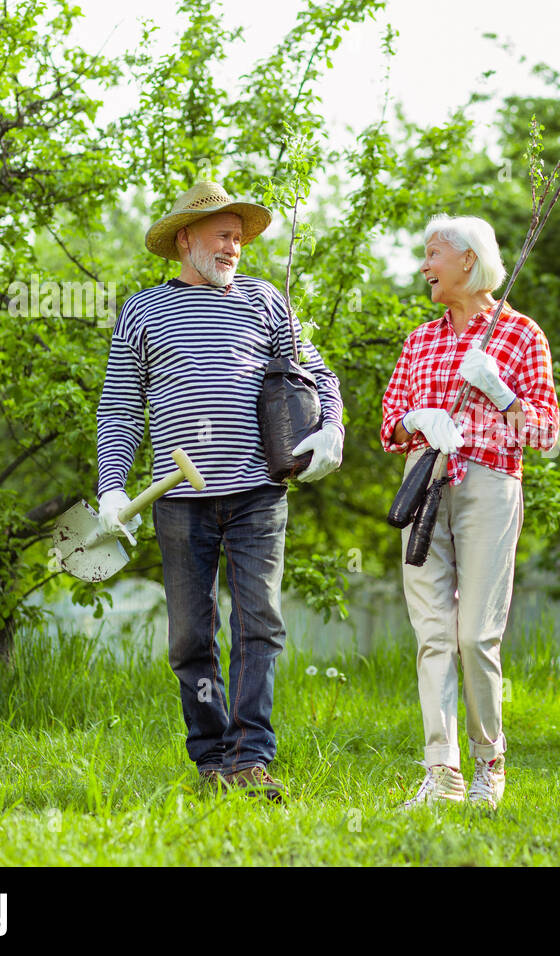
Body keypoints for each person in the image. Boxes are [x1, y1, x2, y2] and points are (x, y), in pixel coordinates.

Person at [95, 180, 345, 801]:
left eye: (239, 237)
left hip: (259, 492)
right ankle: (211, 760)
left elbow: (318, 376)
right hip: (178, 500)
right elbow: (121, 408)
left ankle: (249, 758)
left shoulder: (267, 302)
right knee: (190, 635)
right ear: (186, 239)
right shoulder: (142, 311)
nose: (235, 246)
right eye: (223, 235)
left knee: (259, 622)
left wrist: (331, 428)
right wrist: (110, 488)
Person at [380, 214, 559, 809]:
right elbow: (388, 423)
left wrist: (503, 396)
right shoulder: (420, 339)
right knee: (433, 633)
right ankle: (442, 773)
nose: (424, 266)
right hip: (424, 483)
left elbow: (546, 434)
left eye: (433, 254)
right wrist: (415, 421)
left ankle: (490, 762)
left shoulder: (520, 333)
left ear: (467, 260)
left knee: (476, 635)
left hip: (488, 484)